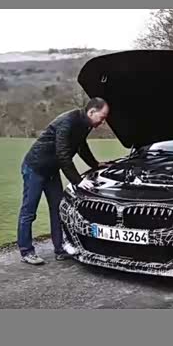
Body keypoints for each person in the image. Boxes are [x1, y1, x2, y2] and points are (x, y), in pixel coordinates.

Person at [17, 97, 110, 265]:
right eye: (102, 117)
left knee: (58, 210)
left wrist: (95, 164)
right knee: (29, 212)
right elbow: (63, 154)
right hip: (35, 168)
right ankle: (26, 251)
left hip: (51, 171)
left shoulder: (85, 124)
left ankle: (60, 249)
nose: (102, 122)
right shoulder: (68, 121)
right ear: (91, 112)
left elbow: (81, 146)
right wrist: (77, 181)